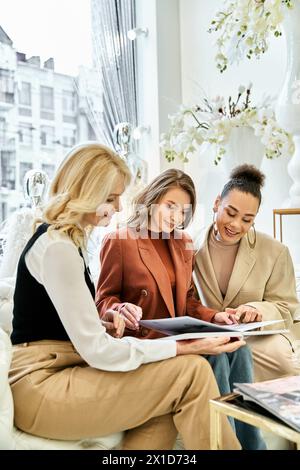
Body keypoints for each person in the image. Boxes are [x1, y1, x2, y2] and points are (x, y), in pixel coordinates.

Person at [8, 143, 241, 451]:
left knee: (169, 398)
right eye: (110, 198)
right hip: (42, 384)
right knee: (192, 372)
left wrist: (104, 321)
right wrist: (184, 347)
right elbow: (98, 351)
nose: (118, 208)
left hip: (63, 367)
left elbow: (68, 322)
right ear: (85, 192)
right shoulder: (58, 248)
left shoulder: (67, 242)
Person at [96, 168, 265, 450]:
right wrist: (119, 307)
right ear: (152, 200)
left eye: (182, 211)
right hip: (147, 343)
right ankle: (228, 443)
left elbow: (188, 301)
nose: (175, 217)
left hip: (180, 336)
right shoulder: (120, 240)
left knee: (238, 345)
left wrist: (216, 316)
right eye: (169, 206)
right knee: (215, 359)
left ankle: (253, 445)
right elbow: (103, 300)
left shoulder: (183, 243)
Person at [194, 164, 300, 383]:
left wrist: (256, 309)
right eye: (230, 213)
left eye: (247, 219)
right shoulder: (190, 247)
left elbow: (287, 309)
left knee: (283, 360)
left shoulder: (275, 252)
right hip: (208, 333)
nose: (235, 225)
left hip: (256, 337)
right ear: (216, 203)